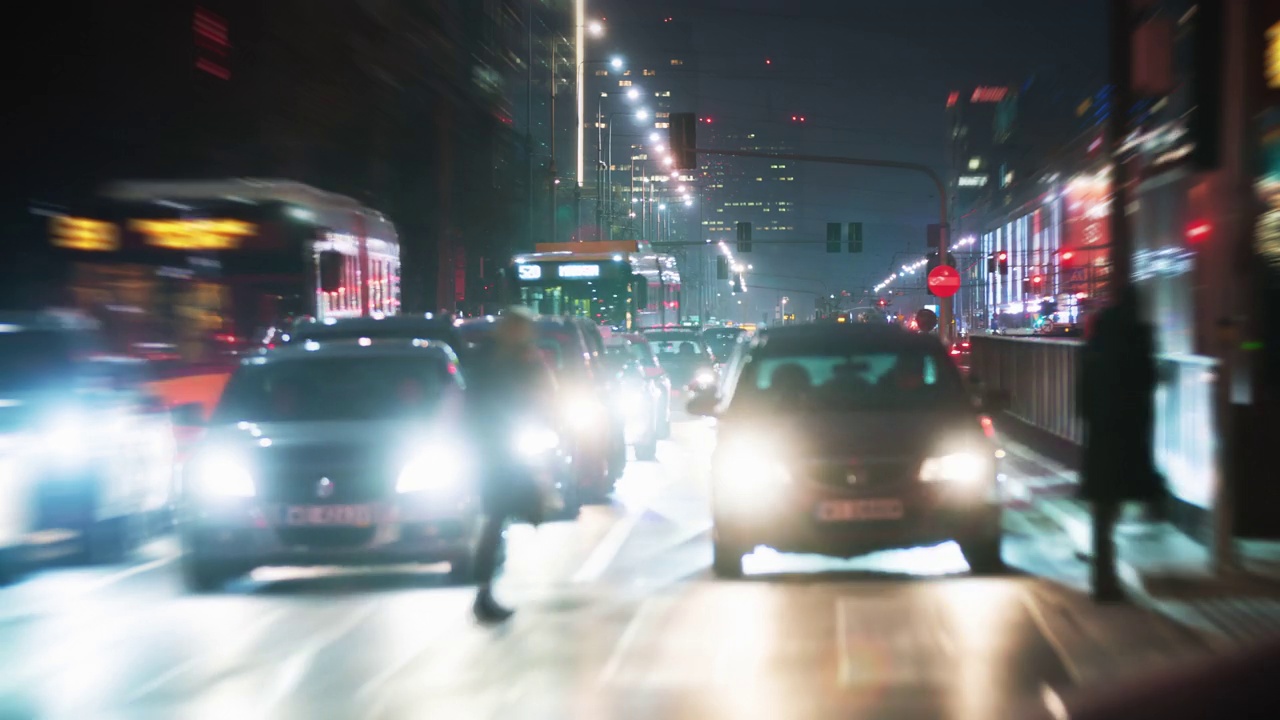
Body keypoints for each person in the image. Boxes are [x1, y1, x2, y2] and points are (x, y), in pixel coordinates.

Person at [464, 307, 559, 622]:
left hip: (501, 444)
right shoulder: (487, 358)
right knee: (497, 515)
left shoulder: (519, 357)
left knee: (498, 516)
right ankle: (483, 586)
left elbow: (546, 392)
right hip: (489, 447)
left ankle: (485, 584)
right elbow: (470, 397)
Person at [1079, 285, 1161, 602]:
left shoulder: (1095, 348)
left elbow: (1083, 401)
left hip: (1102, 437)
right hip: (1130, 433)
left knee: (1103, 509)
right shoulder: (1137, 339)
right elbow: (1148, 380)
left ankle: (1103, 579)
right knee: (1121, 499)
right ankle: (1108, 579)